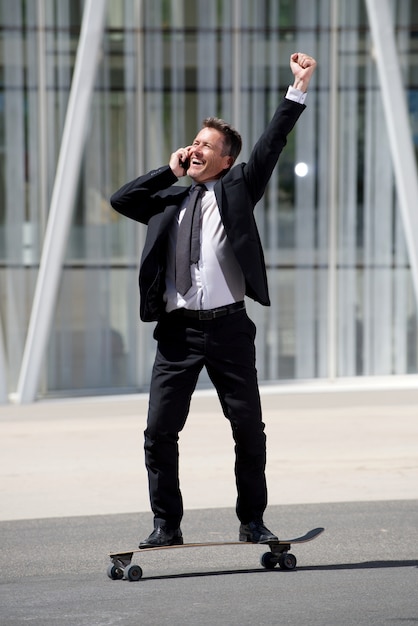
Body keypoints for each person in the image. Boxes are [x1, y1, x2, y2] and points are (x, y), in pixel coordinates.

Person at [110, 52, 317, 548]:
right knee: (159, 431)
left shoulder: (240, 186)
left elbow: (271, 145)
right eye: (194, 143)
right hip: (178, 334)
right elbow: (121, 200)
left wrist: (298, 88)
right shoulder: (167, 200)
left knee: (248, 429)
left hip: (228, 329)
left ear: (226, 160)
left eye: (208, 146)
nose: (197, 149)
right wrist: (169, 169)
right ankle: (166, 524)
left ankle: (252, 520)